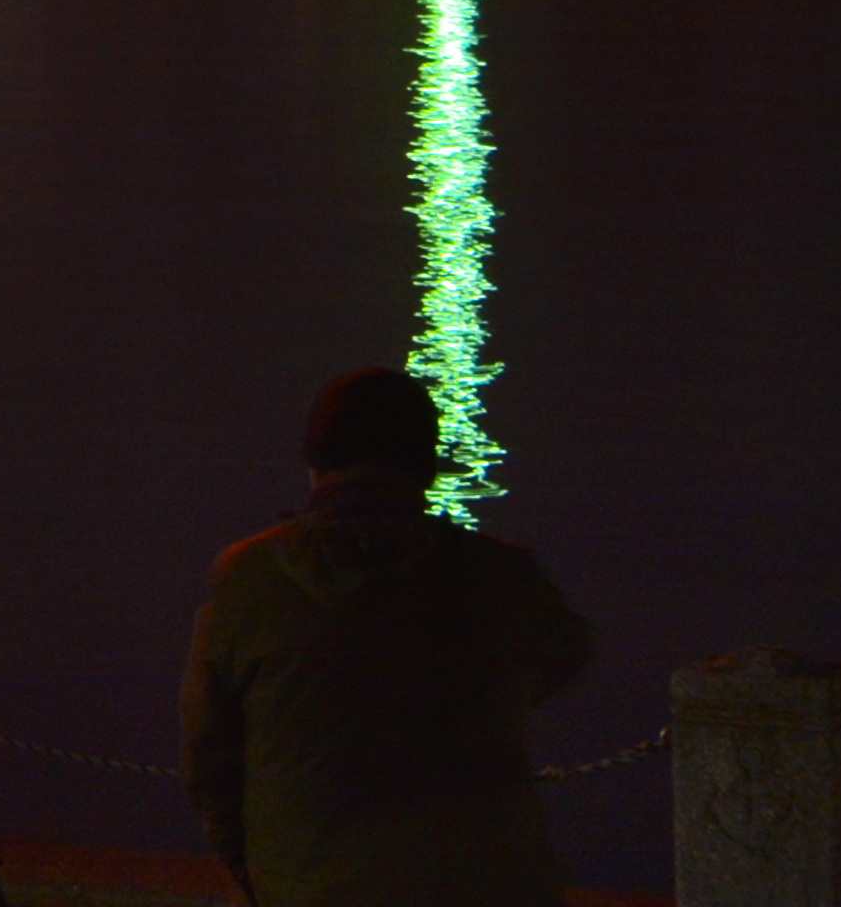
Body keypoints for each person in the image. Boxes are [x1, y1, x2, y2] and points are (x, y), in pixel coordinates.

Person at [184, 367, 593, 907]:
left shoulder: (250, 579)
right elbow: (564, 653)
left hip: (312, 885)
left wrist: (261, 873)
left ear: (316, 467)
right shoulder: (500, 576)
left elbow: (210, 756)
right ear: (424, 471)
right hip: (483, 882)